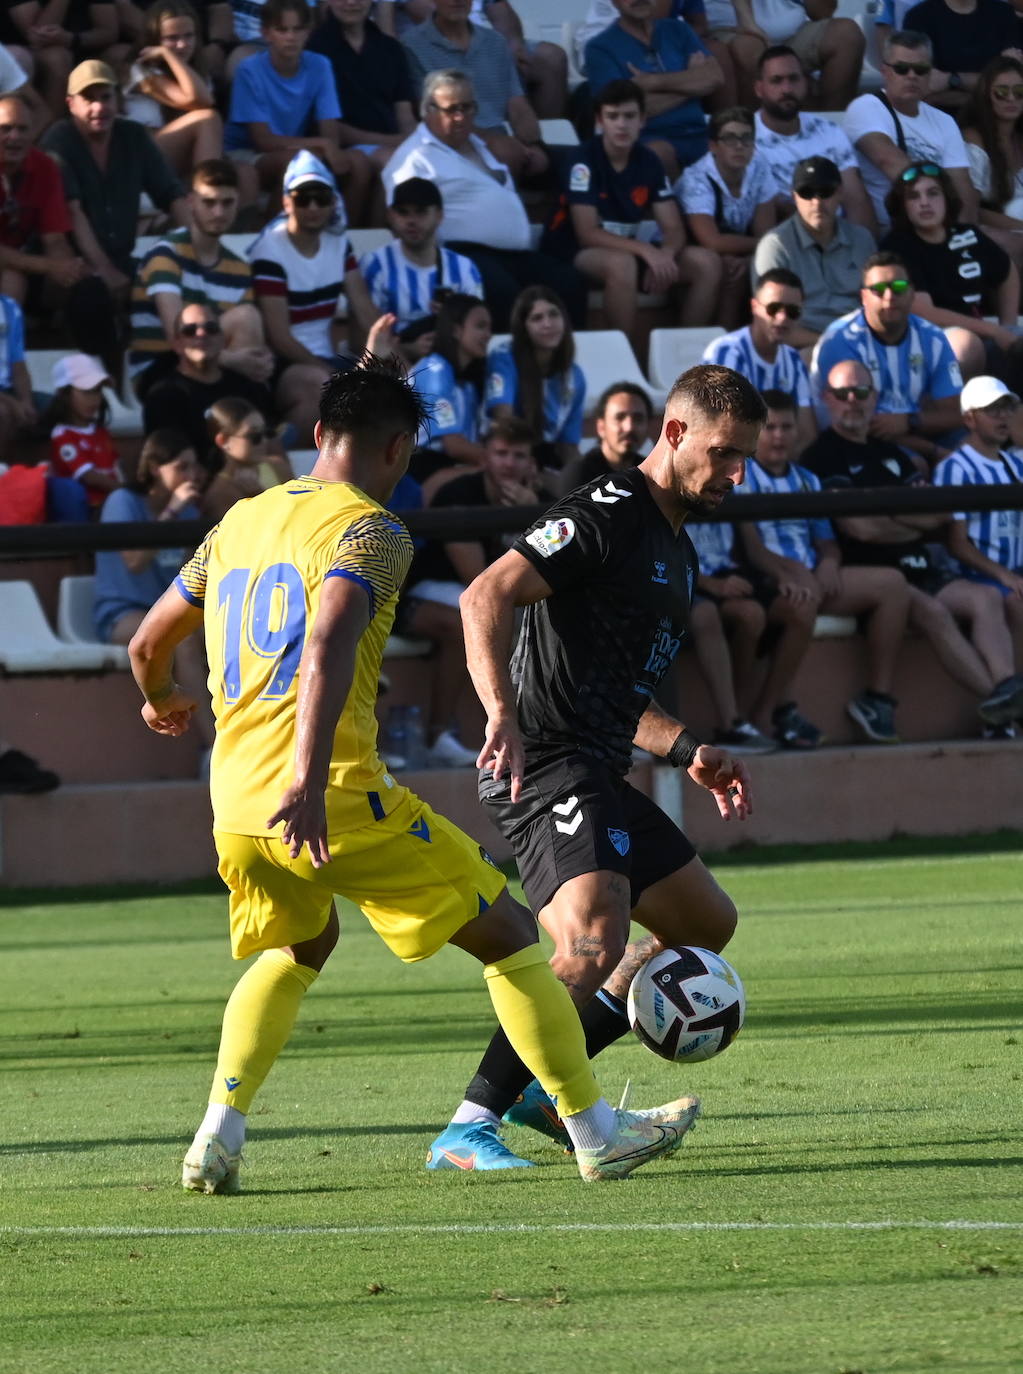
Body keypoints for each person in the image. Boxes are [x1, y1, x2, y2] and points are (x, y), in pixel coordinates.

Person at [128, 354, 698, 1192]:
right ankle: (593, 1132)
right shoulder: (373, 529)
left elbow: (146, 644)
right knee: (509, 940)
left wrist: (163, 700)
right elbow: (324, 643)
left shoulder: (239, 521)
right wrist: (307, 779)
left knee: (301, 945)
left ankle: (217, 1133)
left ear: (319, 434)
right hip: (325, 793)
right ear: (399, 451)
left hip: (233, 803)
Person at [425, 363, 760, 1170]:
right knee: (591, 941)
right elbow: (484, 596)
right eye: (722, 454)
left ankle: (549, 1085)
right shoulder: (606, 511)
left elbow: (613, 689)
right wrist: (499, 711)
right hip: (542, 761)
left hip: (597, 764)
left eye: (744, 458)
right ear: (674, 434)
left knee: (702, 927)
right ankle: (468, 1126)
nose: (736, 474)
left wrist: (686, 750)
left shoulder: (675, 548)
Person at [803, 359, 1023, 732]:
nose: (853, 401)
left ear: (875, 398)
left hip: (925, 568)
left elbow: (937, 516)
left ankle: (1006, 692)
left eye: (862, 392)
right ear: (827, 399)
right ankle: (1005, 705)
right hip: (875, 575)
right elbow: (860, 529)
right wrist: (908, 519)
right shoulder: (822, 454)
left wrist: (892, 518)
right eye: (843, 394)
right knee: (932, 611)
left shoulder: (891, 451)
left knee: (986, 597)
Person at [738, 389, 912, 745]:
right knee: (803, 604)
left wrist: (830, 564)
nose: (779, 435)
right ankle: (771, 712)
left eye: (787, 427)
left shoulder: (807, 479)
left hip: (811, 579)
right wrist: (790, 574)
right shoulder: (741, 477)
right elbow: (751, 550)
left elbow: (825, 541)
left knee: (893, 584)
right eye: (770, 428)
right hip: (767, 580)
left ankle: (877, 700)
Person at [382, 69, 586, 330]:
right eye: (451, 109)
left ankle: (566, 363)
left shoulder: (478, 145)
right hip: (461, 255)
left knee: (567, 282)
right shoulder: (413, 158)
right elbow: (404, 218)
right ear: (428, 110)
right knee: (504, 293)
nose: (460, 117)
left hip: (513, 255)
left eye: (467, 108)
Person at [399, 417, 548, 771]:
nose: (508, 463)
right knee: (468, 622)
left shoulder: (542, 502)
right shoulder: (459, 495)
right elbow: (480, 580)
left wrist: (534, 514)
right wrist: (525, 525)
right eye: (500, 454)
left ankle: (553, 733)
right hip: (425, 593)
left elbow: (556, 572)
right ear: (485, 457)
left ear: (531, 464)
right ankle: (438, 738)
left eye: (518, 456)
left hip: (491, 595)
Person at [540, 77, 720, 342]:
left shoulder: (649, 160)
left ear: (642, 119)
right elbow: (587, 233)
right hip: (571, 252)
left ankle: (684, 356)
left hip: (626, 248)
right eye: (613, 116)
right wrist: (648, 252)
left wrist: (666, 255)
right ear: (600, 121)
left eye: (629, 116)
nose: (622, 124)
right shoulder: (581, 159)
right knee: (622, 265)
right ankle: (626, 360)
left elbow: (673, 227)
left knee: (708, 263)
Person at [98, 428, 216, 765]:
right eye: (182, 467)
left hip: (166, 611)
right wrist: (172, 513)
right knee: (183, 641)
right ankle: (215, 750)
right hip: (122, 613)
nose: (190, 476)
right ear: (154, 468)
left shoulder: (189, 511)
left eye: (194, 468)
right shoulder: (123, 501)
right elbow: (133, 560)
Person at [248, 150, 377, 443]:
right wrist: (333, 375)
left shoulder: (338, 242)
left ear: (334, 202)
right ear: (286, 201)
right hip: (283, 365)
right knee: (319, 390)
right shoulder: (269, 251)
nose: (314, 206)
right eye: (303, 197)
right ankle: (275, 452)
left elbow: (363, 308)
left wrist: (394, 355)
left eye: (322, 197)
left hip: (329, 361)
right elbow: (280, 337)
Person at [129, 156, 273, 394]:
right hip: (159, 369)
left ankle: (242, 420)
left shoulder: (239, 267)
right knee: (245, 317)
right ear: (191, 202)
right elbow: (178, 334)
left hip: (211, 365)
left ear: (238, 204)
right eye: (209, 202)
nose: (218, 212)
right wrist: (236, 361)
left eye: (227, 203)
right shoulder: (165, 255)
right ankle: (244, 420)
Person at [811, 252, 965, 467]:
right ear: (863, 297)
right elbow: (858, 423)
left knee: (973, 453)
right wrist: (932, 449)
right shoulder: (840, 341)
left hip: (917, 429)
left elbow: (954, 414)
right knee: (916, 465)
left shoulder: (933, 338)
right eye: (879, 289)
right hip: (858, 438)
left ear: (912, 293)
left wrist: (910, 421)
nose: (889, 296)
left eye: (899, 286)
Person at [225, 0, 373, 224]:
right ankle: (270, 236)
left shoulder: (320, 65)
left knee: (359, 162)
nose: (290, 37)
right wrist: (322, 145)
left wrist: (326, 145)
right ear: (266, 33)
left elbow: (330, 131)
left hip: (298, 147)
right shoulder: (249, 69)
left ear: (309, 32)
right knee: (296, 162)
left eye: (298, 29)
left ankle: (346, 235)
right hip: (245, 153)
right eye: (282, 30)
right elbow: (262, 140)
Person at [880, 161, 1018, 378]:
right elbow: (925, 312)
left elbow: (1007, 271)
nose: (925, 203)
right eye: (914, 197)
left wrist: (1009, 326)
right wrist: (994, 331)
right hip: (925, 342)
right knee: (967, 346)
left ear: (947, 198)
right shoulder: (897, 247)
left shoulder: (967, 234)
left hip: (980, 331)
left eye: (933, 193)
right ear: (903, 206)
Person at [843, 29, 977, 232]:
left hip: (943, 229)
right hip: (896, 234)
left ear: (930, 73)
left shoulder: (945, 121)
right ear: (885, 71)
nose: (912, 76)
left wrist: (964, 236)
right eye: (902, 69)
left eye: (921, 69)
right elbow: (890, 162)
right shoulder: (865, 107)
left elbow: (963, 187)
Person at [400, 0, 548, 184]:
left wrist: (532, 144)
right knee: (505, 152)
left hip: (499, 137)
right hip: (448, 140)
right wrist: (497, 142)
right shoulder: (411, 45)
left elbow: (516, 102)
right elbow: (431, 116)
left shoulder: (495, 42)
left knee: (550, 160)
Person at [933, 376, 1023, 668]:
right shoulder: (955, 469)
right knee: (1017, 601)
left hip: (1013, 574)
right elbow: (958, 544)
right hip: (974, 577)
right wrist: (1004, 576)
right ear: (970, 419)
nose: (1002, 416)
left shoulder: (1017, 465)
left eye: (1006, 408)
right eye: (992, 409)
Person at [584, 0, 723, 181]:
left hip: (698, 133)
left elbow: (715, 77)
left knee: (739, 143)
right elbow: (627, 110)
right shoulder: (600, 48)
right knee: (658, 153)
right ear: (614, 2)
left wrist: (652, 82)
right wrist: (691, 81)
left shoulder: (678, 30)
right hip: (645, 138)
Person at [752, 44, 877, 234]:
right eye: (776, 81)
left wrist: (862, 250)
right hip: (786, 240)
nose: (787, 89)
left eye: (794, 79)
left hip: (842, 239)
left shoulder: (829, 132)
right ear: (759, 88)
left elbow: (855, 199)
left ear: (806, 82)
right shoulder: (745, 139)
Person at [753, 155, 876, 348]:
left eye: (825, 192)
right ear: (794, 196)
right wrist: (831, 345)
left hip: (862, 343)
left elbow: (877, 304)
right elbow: (769, 321)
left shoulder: (862, 239)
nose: (817, 202)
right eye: (806, 192)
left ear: (840, 193)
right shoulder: (775, 245)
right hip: (802, 348)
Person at [358, 176, 483, 364]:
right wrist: (408, 350)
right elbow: (365, 336)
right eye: (403, 212)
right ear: (391, 216)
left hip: (453, 366)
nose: (411, 221)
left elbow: (479, 331)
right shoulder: (375, 265)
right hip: (390, 370)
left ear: (439, 215)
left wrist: (451, 319)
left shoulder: (464, 269)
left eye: (421, 212)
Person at [676, 104, 776, 329]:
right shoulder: (697, 179)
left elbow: (765, 231)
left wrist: (748, 257)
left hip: (735, 248)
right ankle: (692, 342)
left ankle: (727, 347)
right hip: (683, 250)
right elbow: (710, 240)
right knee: (716, 265)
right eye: (729, 138)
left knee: (738, 270)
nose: (739, 146)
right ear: (713, 145)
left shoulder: (759, 165)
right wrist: (761, 245)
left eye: (746, 138)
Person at [143, 301, 275, 468]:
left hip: (252, 480)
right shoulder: (163, 395)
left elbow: (272, 447)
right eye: (190, 331)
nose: (201, 334)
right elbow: (168, 463)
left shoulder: (247, 387)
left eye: (211, 328)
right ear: (177, 344)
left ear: (222, 339)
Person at [702, 267, 816, 450]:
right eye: (774, 308)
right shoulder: (728, 352)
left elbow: (806, 432)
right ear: (755, 307)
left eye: (792, 311)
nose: (782, 318)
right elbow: (725, 430)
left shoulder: (794, 360)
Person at [0, 91, 89, 306]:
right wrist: (48, 266)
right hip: (16, 265)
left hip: (18, 261)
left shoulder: (45, 167)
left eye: (23, 129)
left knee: (85, 284)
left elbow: (55, 237)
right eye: (5, 129)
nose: (15, 137)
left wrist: (66, 268)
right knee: (14, 280)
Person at [307, 0, 417, 173]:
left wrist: (414, 140)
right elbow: (322, 125)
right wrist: (391, 141)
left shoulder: (391, 48)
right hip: (345, 151)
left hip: (395, 145)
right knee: (399, 164)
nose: (351, 2)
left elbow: (405, 116)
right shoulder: (313, 49)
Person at [486, 285, 585, 475]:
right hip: (508, 451)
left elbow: (568, 448)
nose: (548, 323)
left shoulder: (575, 376)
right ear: (523, 327)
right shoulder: (503, 358)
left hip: (546, 458)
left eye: (554, 314)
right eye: (537, 318)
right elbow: (503, 420)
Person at [704, 0, 866, 113]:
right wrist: (750, 24)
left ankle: (829, 127)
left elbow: (823, 12)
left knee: (846, 34)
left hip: (792, 33)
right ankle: (754, 135)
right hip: (731, 28)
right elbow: (747, 25)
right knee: (750, 48)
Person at [123, 0, 224, 179]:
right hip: (138, 157)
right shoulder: (139, 70)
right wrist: (168, 55)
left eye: (188, 36)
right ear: (154, 40)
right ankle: (205, 194)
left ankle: (210, 195)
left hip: (175, 156)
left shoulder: (197, 74)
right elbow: (199, 101)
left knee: (245, 172)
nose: (182, 44)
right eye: (172, 38)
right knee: (208, 118)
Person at [408, 289, 490, 485]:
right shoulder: (434, 369)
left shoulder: (466, 383)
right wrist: (501, 464)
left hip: (449, 466)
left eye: (489, 328)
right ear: (455, 330)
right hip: (415, 469)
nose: (488, 335)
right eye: (480, 326)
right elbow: (453, 445)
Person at [962, 56, 1023, 274]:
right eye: (1001, 92)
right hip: (991, 230)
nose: (1011, 99)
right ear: (987, 95)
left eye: (1019, 92)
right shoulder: (974, 138)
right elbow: (973, 210)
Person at [902, 0, 1019, 112]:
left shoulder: (1003, 14)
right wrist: (988, 90)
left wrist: (951, 80)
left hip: (993, 121)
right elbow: (925, 90)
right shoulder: (918, 17)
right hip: (936, 119)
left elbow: (1008, 85)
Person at [200, 394, 293, 521]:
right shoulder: (220, 493)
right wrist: (255, 497)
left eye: (266, 432)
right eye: (254, 436)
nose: (264, 441)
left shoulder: (278, 466)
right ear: (223, 441)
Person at [45, 352, 120, 510]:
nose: (94, 399)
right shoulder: (62, 435)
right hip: (86, 512)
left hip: (111, 506)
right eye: (86, 391)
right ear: (63, 393)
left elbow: (116, 468)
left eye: (98, 390)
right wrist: (126, 491)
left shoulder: (101, 432)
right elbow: (90, 477)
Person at [557, 378, 651, 494]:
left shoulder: (652, 477)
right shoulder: (578, 475)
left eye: (638, 419)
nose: (629, 427)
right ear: (601, 427)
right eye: (620, 417)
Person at [0, 290, 36, 462]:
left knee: (62, 405)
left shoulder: (9, 307)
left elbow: (19, 365)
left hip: (7, 389)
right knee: (3, 413)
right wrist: (13, 403)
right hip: (4, 398)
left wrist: (26, 401)